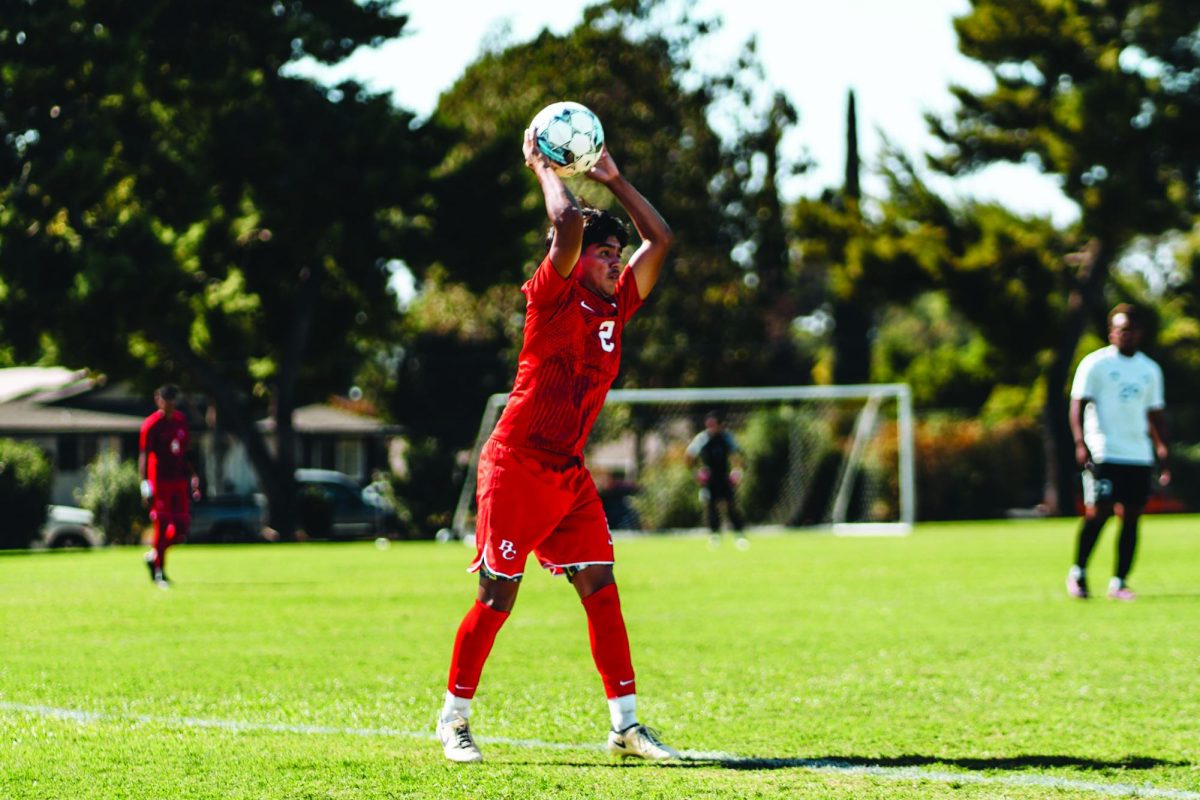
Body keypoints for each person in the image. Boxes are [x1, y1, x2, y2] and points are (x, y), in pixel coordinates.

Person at [436, 127, 676, 764]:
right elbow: (566, 221)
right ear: (573, 258)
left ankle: (625, 725)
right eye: (604, 253)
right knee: (498, 595)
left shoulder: (615, 308)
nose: (615, 261)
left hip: (567, 474)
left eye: (616, 254)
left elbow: (663, 240)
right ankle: (453, 717)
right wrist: (545, 166)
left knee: (601, 585)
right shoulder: (553, 296)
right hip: (514, 463)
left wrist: (616, 181)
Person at [1066, 304, 1170, 601]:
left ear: (1139, 333)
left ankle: (1119, 581)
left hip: (1137, 453)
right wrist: (1079, 442)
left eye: (1132, 330)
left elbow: (1155, 414)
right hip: (1104, 450)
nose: (1127, 335)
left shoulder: (1149, 370)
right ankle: (1079, 571)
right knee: (1099, 512)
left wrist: (1163, 449)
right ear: (1112, 332)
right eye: (1122, 329)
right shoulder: (1095, 364)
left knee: (1132, 516)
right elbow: (1078, 404)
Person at [138, 384, 200, 588]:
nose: (170, 405)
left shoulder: (181, 421)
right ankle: (159, 571)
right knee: (162, 526)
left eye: (173, 400)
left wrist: (193, 475)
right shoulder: (151, 425)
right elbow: (144, 456)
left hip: (178, 481)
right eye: (166, 400)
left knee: (181, 527)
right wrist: (145, 485)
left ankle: (154, 554)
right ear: (158, 400)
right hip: (160, 482)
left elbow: (185, 452)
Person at [686, 411, 747, 549]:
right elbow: (689, 455)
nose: (710, 427)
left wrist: (738, 472)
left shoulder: (727, 438)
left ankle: (739, 536)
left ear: (721, 425)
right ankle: (714, 536)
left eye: (713, 425)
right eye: (708, 425)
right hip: (710, 479)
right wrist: (697, 473)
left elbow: (738, 455)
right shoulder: (702, 439)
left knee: (731, 506)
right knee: (711, 508)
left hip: (725, 477)